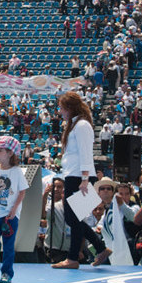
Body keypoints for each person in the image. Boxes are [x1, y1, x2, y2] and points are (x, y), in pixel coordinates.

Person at [52, 91, 112, 269]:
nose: (60, 111)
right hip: (73, 175)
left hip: (80, 176)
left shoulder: (82, 125)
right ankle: (100, 248)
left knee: (73, 218)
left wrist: (85, 179)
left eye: (62, 108)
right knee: (73, 218)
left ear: (70, 108)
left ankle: (73, 258)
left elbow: (86, 152)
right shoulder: (74, 124)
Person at [0, 136, 28, 283]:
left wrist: (14, 209)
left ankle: (7, 272)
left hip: (9, 216)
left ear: (10, 153)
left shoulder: (17, 171)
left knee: (8, 245)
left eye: (0, 150)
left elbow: (22, 191)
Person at [41, 177, 70, 263]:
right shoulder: (50, 205)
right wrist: (44, 196)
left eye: (59, 187)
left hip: (68, 249)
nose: (56, 189)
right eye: (54, 187)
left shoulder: (72, 205)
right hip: (52, 249)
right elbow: (43, 215)